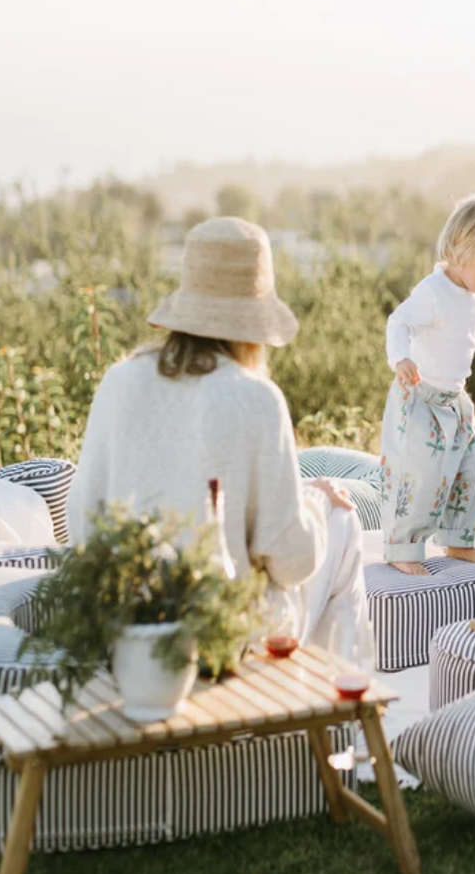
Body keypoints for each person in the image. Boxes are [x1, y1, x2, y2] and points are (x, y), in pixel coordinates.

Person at [67, 217, 373, 657]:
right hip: (221, 635)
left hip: (124, 634)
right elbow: (292, 562)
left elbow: (83, 522)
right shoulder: (254, 398)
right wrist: (316, 504)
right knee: (341, 521)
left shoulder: (119, 381)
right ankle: (337, 705)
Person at [380, 192, 475, 574]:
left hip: (455, 400)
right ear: (465, 250)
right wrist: (402, 359)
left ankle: (459, 540)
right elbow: (399, 322)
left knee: (466, 471)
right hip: (421, 398)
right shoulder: (433, 291)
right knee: (420, 475)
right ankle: (402, 548)